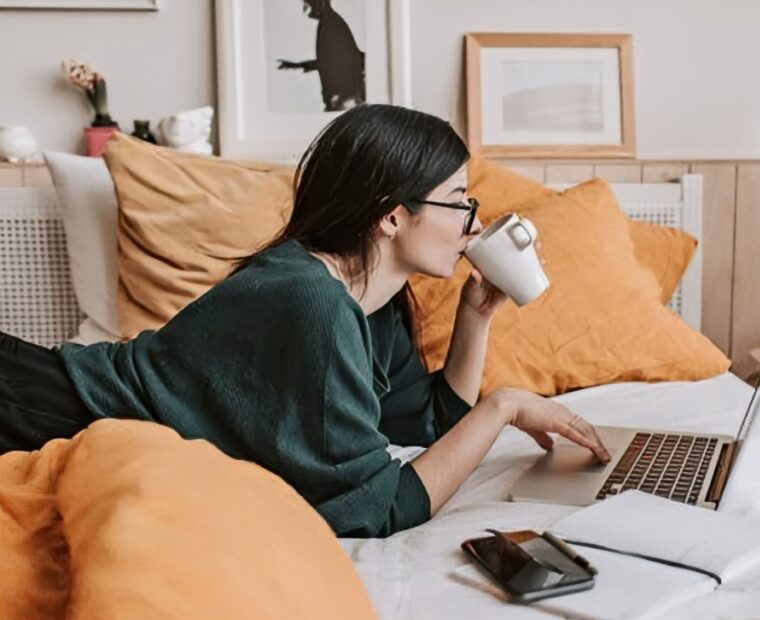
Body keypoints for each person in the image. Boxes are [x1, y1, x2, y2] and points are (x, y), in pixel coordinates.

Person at [0, 104, 610, 537]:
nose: (474, 224)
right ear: (391, 217)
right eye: (460, 201)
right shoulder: (312, 304)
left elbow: (426, 426)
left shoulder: (373, 300)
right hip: (46, 410)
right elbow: (381, 509)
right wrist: (501, 407)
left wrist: (476, 318)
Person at [277, 0, 366, 111]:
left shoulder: (331, 24)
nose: (305, 8)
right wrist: (296, 66)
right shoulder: (329, 23)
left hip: (343, 97)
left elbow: (347, 59)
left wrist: (339, 96)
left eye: (307, 3)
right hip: (341, 97)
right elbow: (329, 61)